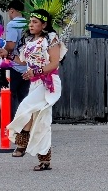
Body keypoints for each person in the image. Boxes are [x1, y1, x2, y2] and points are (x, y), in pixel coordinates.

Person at [5, 9, 66, 170]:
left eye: (35, 22)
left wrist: (36, 71)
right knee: (42, 121)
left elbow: (54, 63)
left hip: (49, 83)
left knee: (26, 107)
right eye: (30, 22)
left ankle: (21, 142)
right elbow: (23, 61)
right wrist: (8, 55)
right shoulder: (29, 40)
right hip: (35, 84)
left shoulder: (51, 39)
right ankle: (45, 160)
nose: (31, 25)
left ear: (44, 25)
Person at [0, 0, 30, 120]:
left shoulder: (12, 24)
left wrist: (3, 50)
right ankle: (25, 123)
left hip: (15, 66)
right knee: (24, 98)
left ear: (11, 10)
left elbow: (11, 45)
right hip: (27, 66)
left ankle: (9, 122)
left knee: (8, 95)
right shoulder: (28, 23)